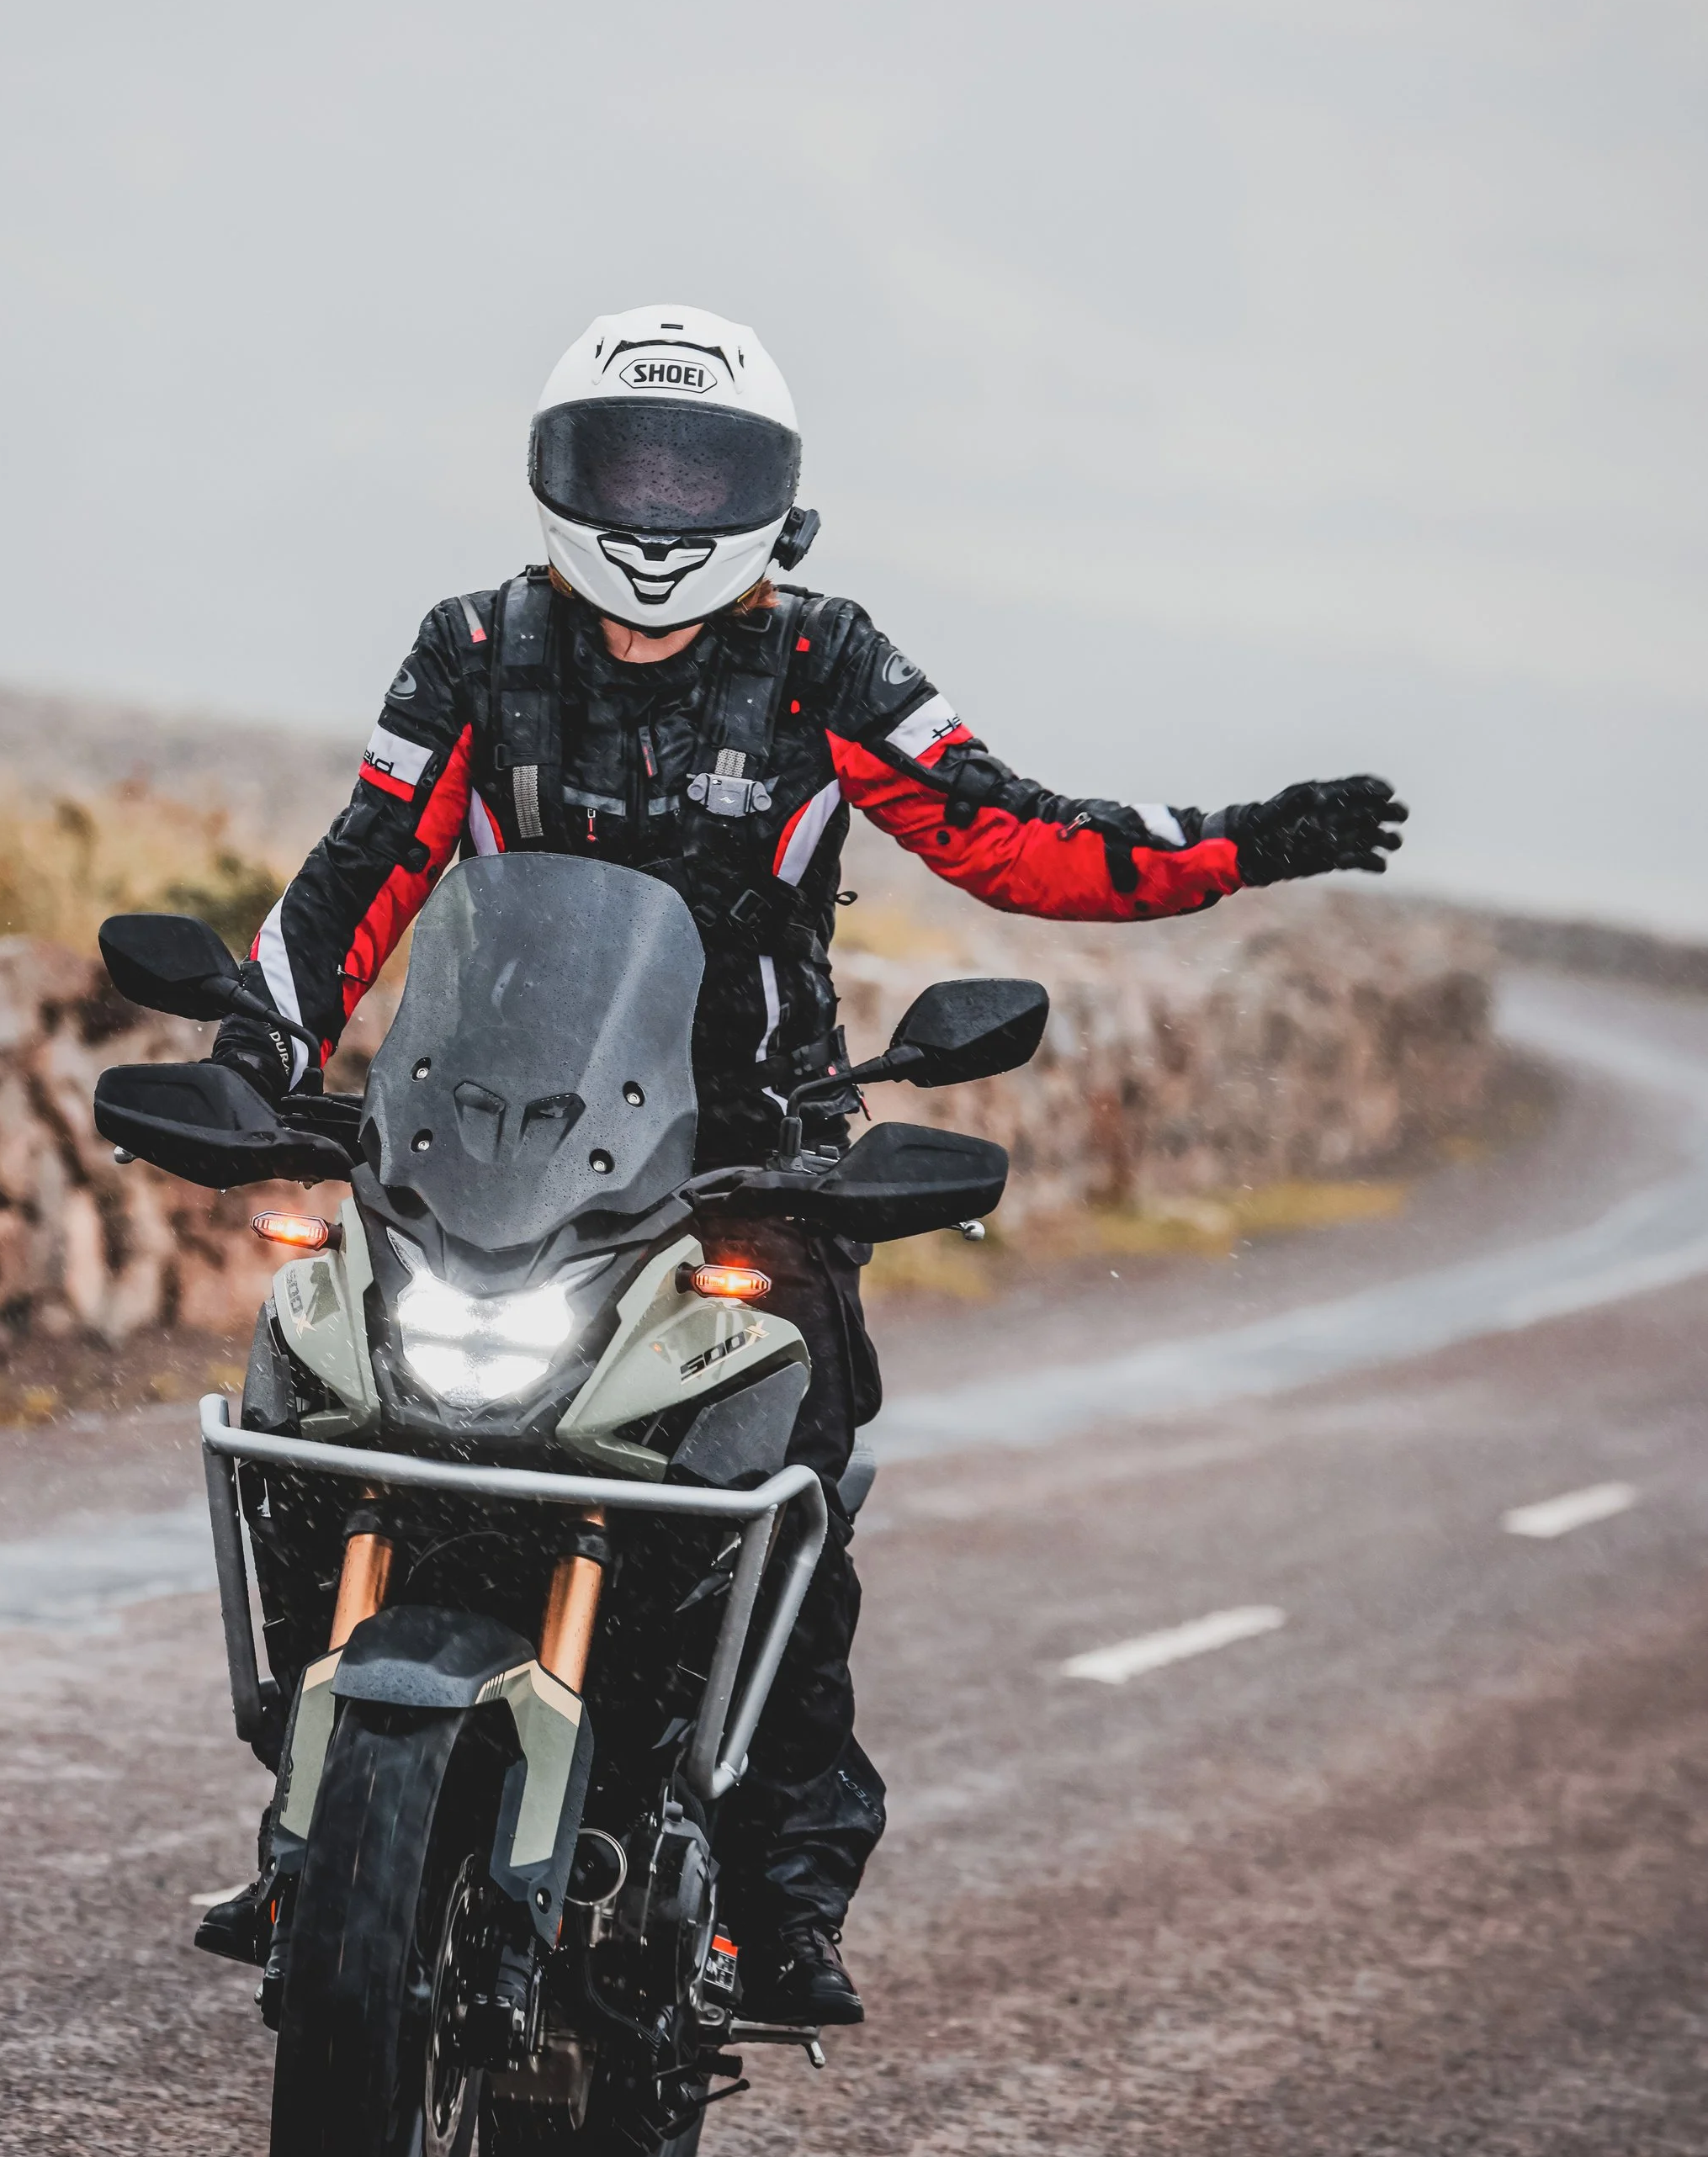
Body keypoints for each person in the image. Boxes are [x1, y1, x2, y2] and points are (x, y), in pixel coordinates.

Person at [206, 304, 1406, 2026]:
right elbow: (364, 860)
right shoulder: (473, 645)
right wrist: (260, 1040)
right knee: (313, 1407)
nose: (656, 503)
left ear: (772, 497)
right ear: (555, 470)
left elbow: (1010, 831)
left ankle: (771, 1888)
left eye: (700, 469)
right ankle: (316, 1808)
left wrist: (1242, 842)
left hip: (747, 1161)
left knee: (789, 1498)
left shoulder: (824, 660)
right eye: (626, 459)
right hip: (475, 1147)